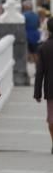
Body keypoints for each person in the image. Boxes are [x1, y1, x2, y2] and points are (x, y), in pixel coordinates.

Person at [34, 16, 53, 154]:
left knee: (51, 119)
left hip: (50, 89)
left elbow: (39, 72)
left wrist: (37, 93)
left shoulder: (44, 47)